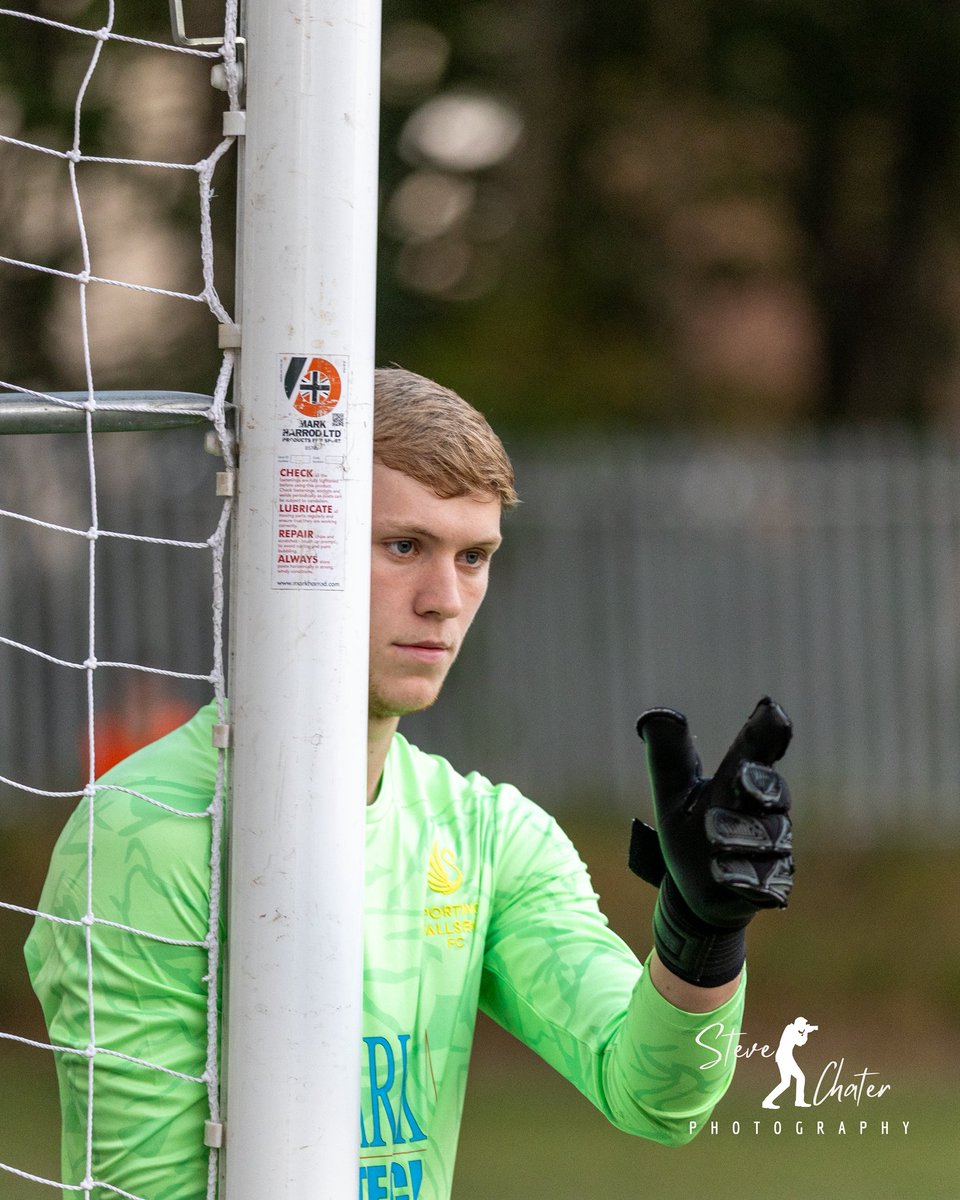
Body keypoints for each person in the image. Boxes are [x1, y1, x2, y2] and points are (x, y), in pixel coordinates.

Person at [25, 367, 794, 1200]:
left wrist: (700, 936)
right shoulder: (146, 832)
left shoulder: (487, 833)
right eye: (404, 546)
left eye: (474, 556)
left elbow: (654, 1097)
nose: (445, 600)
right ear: (292, 539)